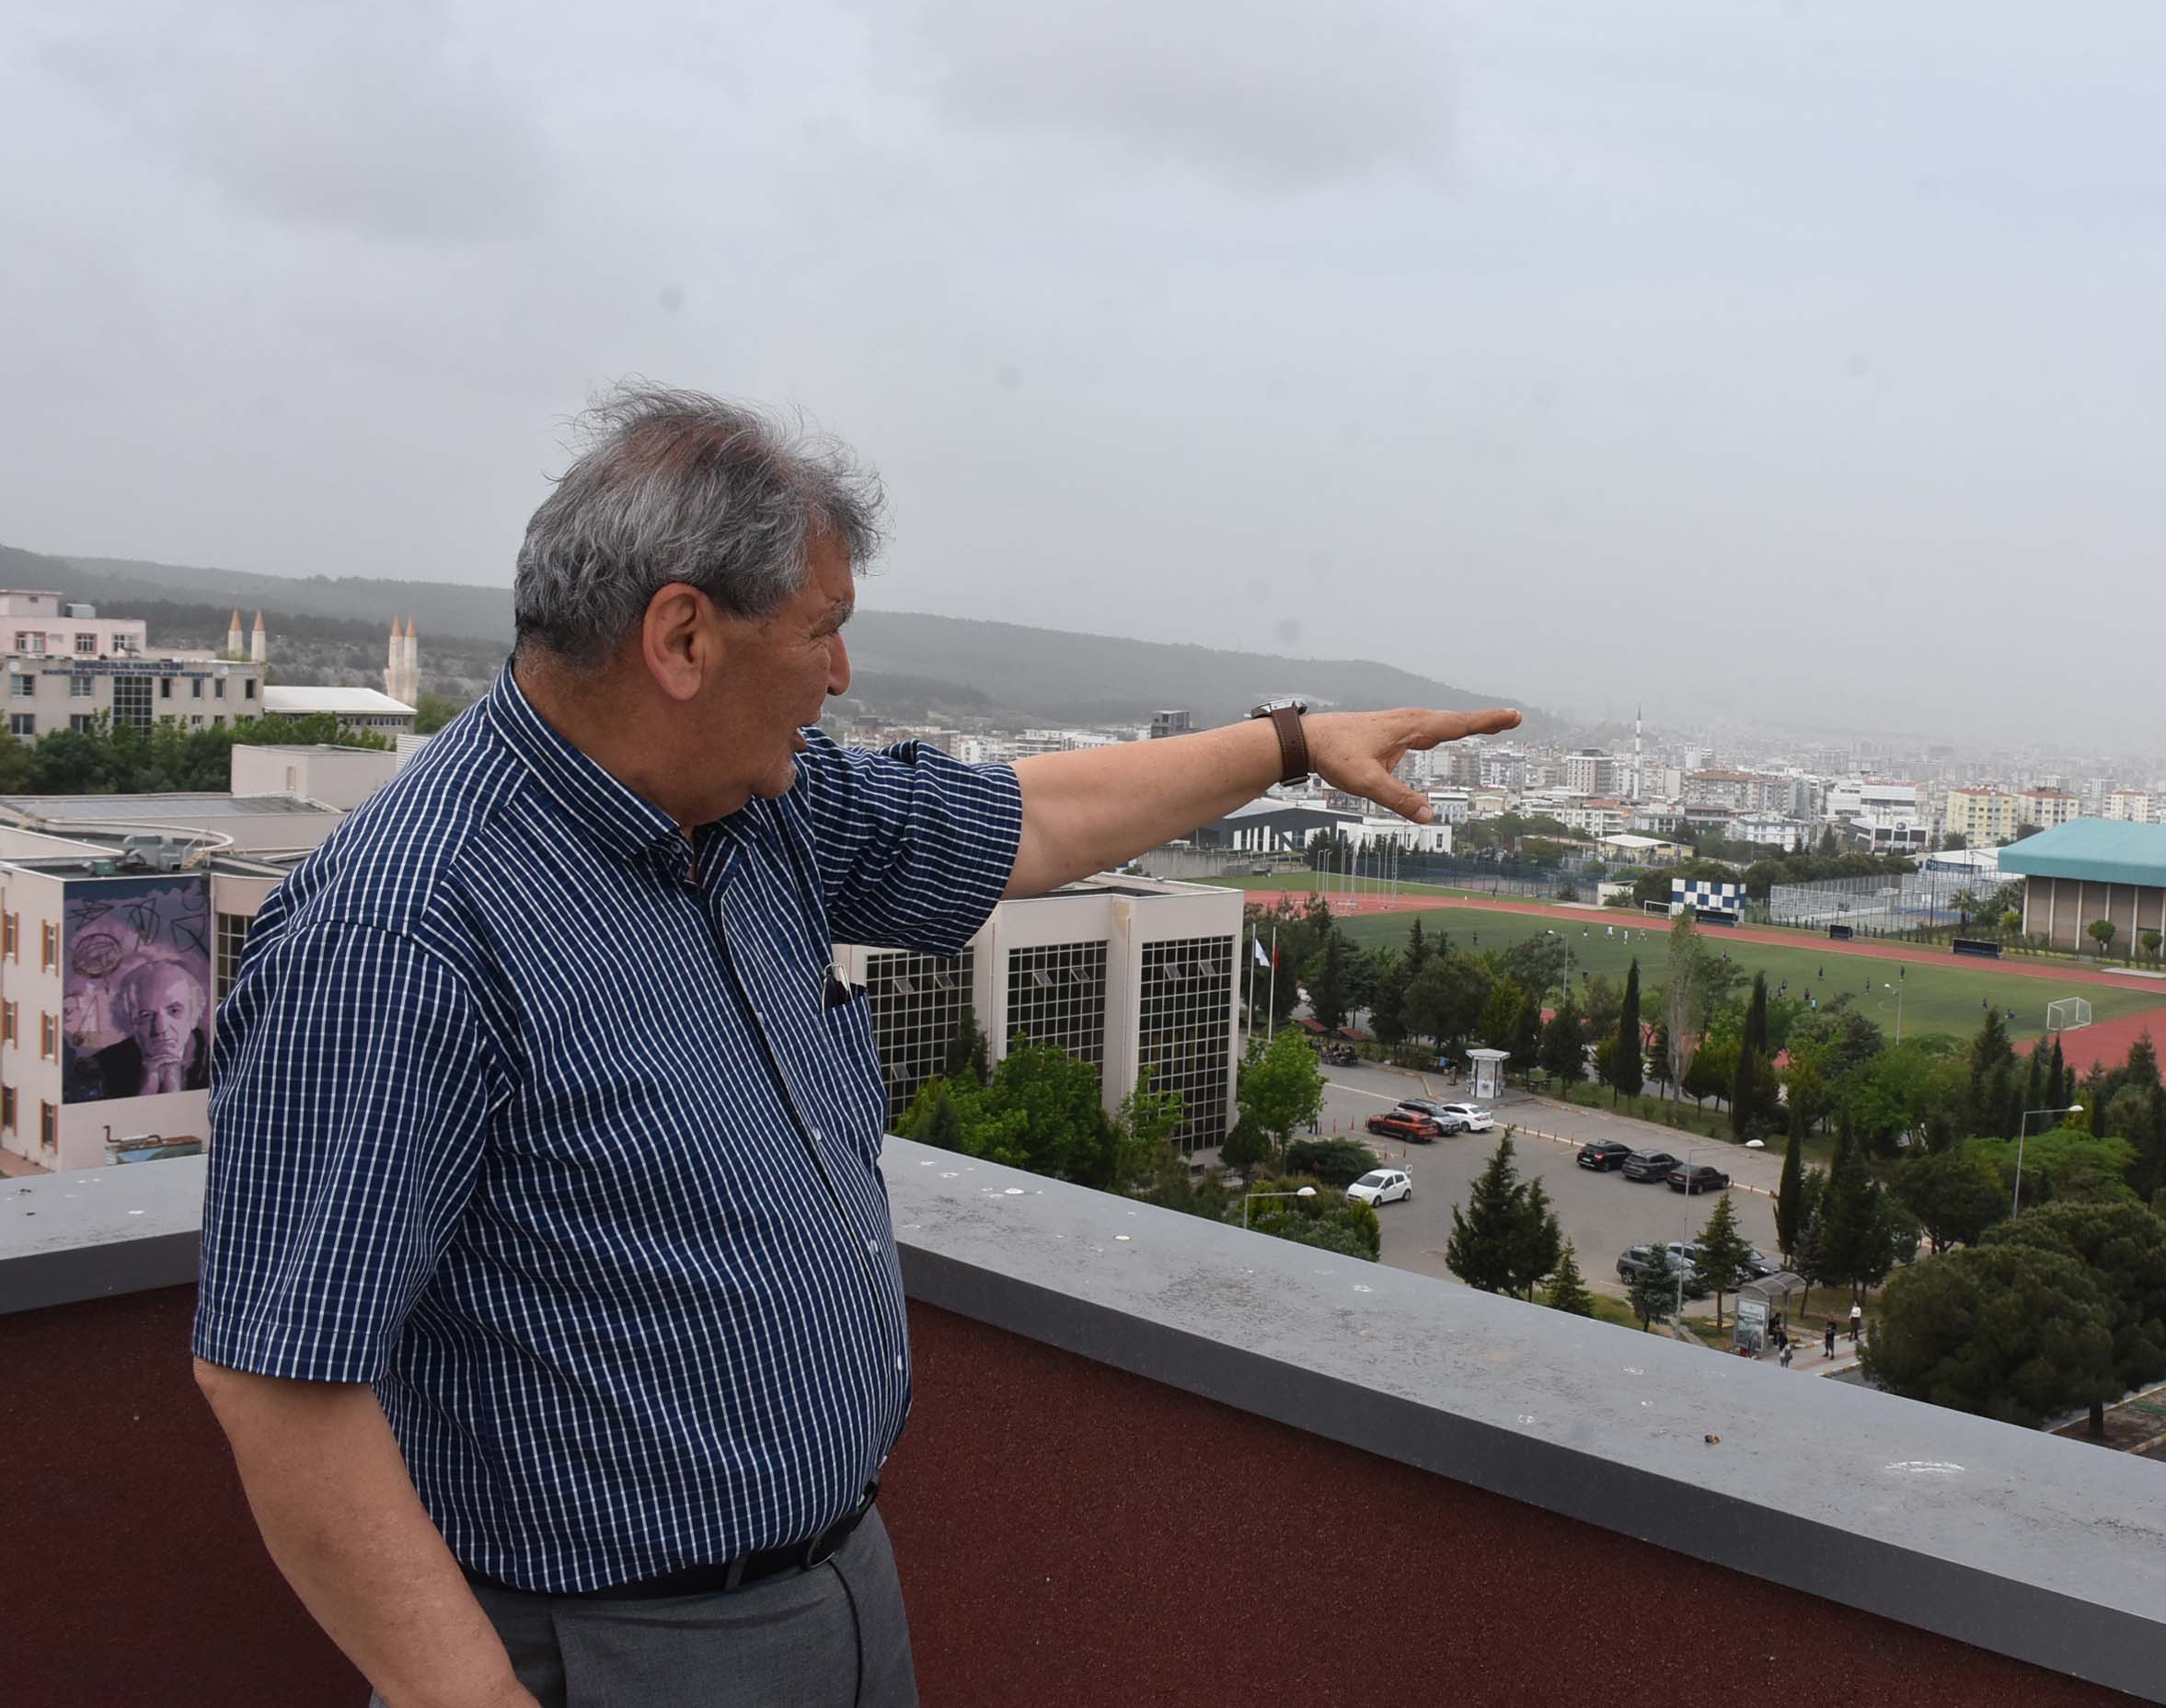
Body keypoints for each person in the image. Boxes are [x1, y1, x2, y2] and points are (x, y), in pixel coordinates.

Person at [188, 387, 1517, 1708]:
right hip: (609, 1649)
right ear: (683, 637)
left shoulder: (761, 808)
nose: (840, 676)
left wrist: (1288, 745)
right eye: (823, 629)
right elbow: (282, 1387)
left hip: (833, 1594)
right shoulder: (402, 930)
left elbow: (1025, 823)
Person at [66, 953, 211, 1101]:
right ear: (130, 1020)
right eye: (146, 1015)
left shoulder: (221, 1055)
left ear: (193, 1016)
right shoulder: (99, 1069)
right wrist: (146, 1090)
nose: (160, 1029)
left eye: (174, 1011)